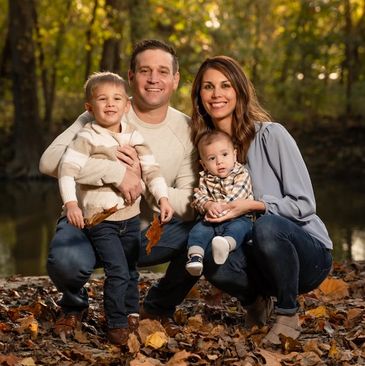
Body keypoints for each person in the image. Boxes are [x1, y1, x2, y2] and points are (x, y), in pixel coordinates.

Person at [39, 39, 198, 343]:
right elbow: (49, 162)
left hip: (144, 229)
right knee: (68, 262)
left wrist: (143, 182)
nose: (153, 79)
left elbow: (190, 202)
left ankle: (157, 305)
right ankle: (74, 304)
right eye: (144, 70)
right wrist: (115, 172)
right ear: (131, 76)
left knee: (204, 231)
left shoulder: (186, 129)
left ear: (175, 79)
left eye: (163, 71)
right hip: (91, 220)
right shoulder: (104, 111)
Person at [189, 55, 333, 345]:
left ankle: (288, 313)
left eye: (225, 85)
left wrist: (253, 205)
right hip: (255, 256)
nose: (217, 94)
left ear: (239, 91)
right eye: (208, 87)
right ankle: (255, 301)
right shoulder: (206, 151)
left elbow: (305, 204)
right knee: (207, 249)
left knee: (266, 226)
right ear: (199, 96)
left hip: (307, 254)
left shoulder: (272, 135)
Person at [57, 71, 174, 345]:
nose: (110, 104)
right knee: (117, 271)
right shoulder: (88, 136)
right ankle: (116, 322)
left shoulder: (135, 137)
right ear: (89, 107)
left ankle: (132, 312)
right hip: (102, 220)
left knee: (131, 269)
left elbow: (151, 171)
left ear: (126, 105)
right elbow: (66, 169)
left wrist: (163, 198)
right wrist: (71, 203)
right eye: (102, 99)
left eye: (117, 98)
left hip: (130, 218)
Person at [185, 130, 253, 276]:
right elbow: (198, 197)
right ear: (203, 164)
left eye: (224, 154)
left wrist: (219, 207)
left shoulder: (241, 174)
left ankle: (225, 245)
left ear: (234, 155)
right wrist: (208, 205)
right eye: (211, 158)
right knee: (199, 230)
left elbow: (238, 196)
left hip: (238, 217)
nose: (219, 161)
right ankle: (195, 257)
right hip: (212, 219)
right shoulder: (205, 179)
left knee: (241, 228)